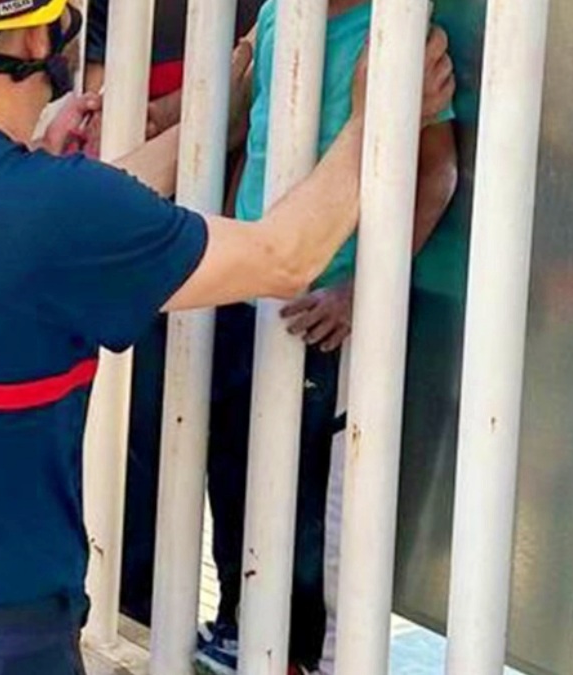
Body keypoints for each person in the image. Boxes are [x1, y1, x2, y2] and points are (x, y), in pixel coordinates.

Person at [0, 1, 452, 672]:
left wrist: (218, 102)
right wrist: (373, 115)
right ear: (34, 34)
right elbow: (285, 256)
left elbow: (81, 218)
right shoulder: (54, 210)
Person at [195, 1, 459, 673]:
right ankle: (238, 632)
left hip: (321, 310)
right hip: (244, 295)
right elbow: (250, 141)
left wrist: (363, 291)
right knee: (232, 477)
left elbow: (437, 172)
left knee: (312, 510)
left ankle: (300, 655)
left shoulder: (395, 31)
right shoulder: (281, 12)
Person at [80, 0, 266, 627]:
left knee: (257, 463)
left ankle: (254, 636)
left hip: (244, 259)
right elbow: (108, 111)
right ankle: (137, 621)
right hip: (149, 257)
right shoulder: (124, 14)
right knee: (141, 446)